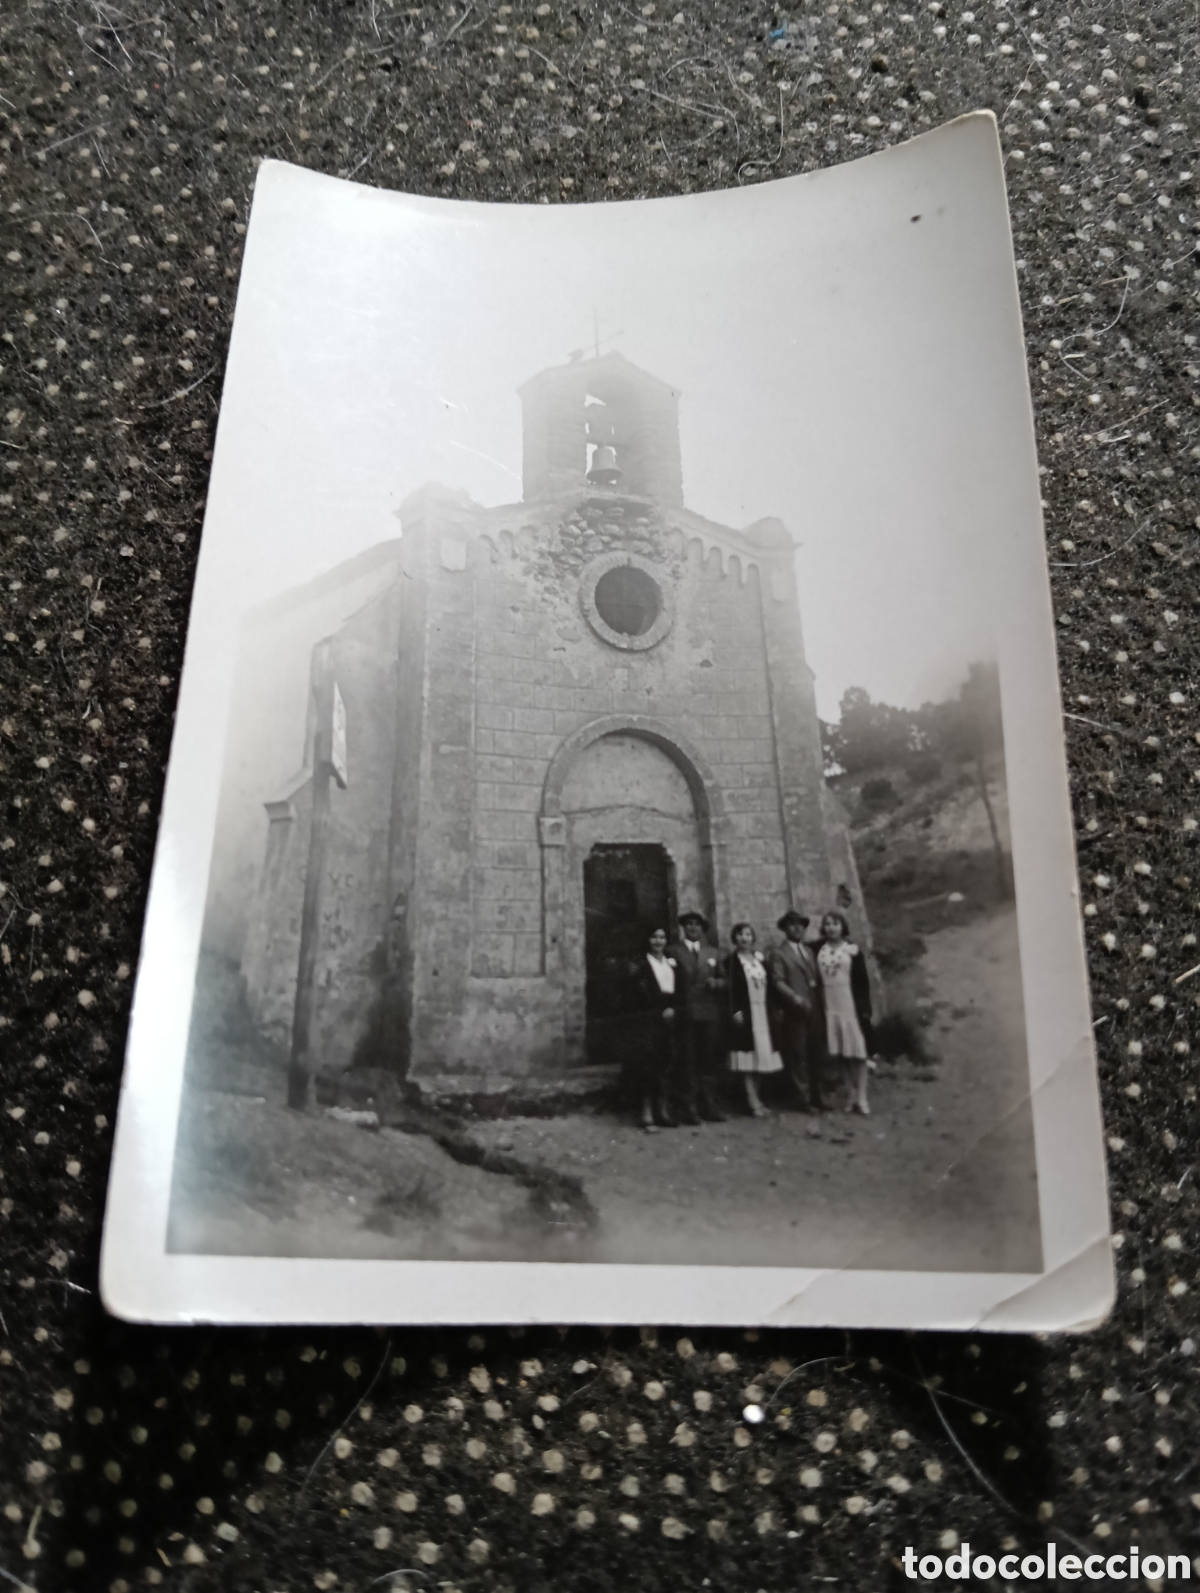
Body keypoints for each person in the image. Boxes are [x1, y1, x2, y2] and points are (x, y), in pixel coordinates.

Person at [666, 911, 728, 1124]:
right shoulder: (673, 951)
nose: (692, 928)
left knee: (708, 1060)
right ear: (683, 928)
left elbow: (726, 980)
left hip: (709, 1013)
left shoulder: (714, 953)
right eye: (688, 924)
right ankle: (689, 1106)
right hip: (686, 1013)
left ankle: (709, 1105)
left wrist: (717, 984)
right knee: (688, 1060)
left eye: (696, 925)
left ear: (703, 929)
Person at [814, 910, 873, 1115]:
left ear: (842, 926)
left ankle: (863, 1097)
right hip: (829, 1005)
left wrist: (865, 1008)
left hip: (849, 1004)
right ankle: (851, 1093)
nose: (831, 928)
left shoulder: (852, 950)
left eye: (835, 924)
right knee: (840, 1053)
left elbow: (862, 982)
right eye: (827, 924)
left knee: (858, 1053)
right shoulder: (817, 949)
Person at [766, 909, 825, 1112]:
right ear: (784, 929)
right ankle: (803, 1099)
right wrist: (794, 998)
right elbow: (778, 981)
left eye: (800, 924)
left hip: (815, 1008)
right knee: (798, 1055)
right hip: (795, 1010)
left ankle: (819, 1096)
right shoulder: (779, 953)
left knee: (816, 1052)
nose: (797, 928)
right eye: (792, 924)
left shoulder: (808, 952)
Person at [726, 922, 784, 1118]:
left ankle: (757, 1098)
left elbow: (772, 987)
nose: (744, 938)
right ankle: (752, 1101)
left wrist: (776, 1009)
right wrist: (734, 1011)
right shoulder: (732, 962)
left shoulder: (760, 960)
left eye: (748, 935)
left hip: (763, 1013)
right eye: (740, 935)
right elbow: (730, 990)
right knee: (748, 1058)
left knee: (762, 1057)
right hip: (746, 1013)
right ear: (735, 938)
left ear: (753, 938)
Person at [625, 927, 679, 1133]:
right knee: (648, 1065)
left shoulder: (671, 963)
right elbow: (638, 995)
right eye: (654, 937)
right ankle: (646, 1112)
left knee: (667, 1063)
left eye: (662, 937)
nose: (658, 941)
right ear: (648, 940)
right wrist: (658, 1012)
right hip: (649, 1019)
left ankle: (663, 1111)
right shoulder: (640, 965)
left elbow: (679, 990)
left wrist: (673, 1009)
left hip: (670, 1017)